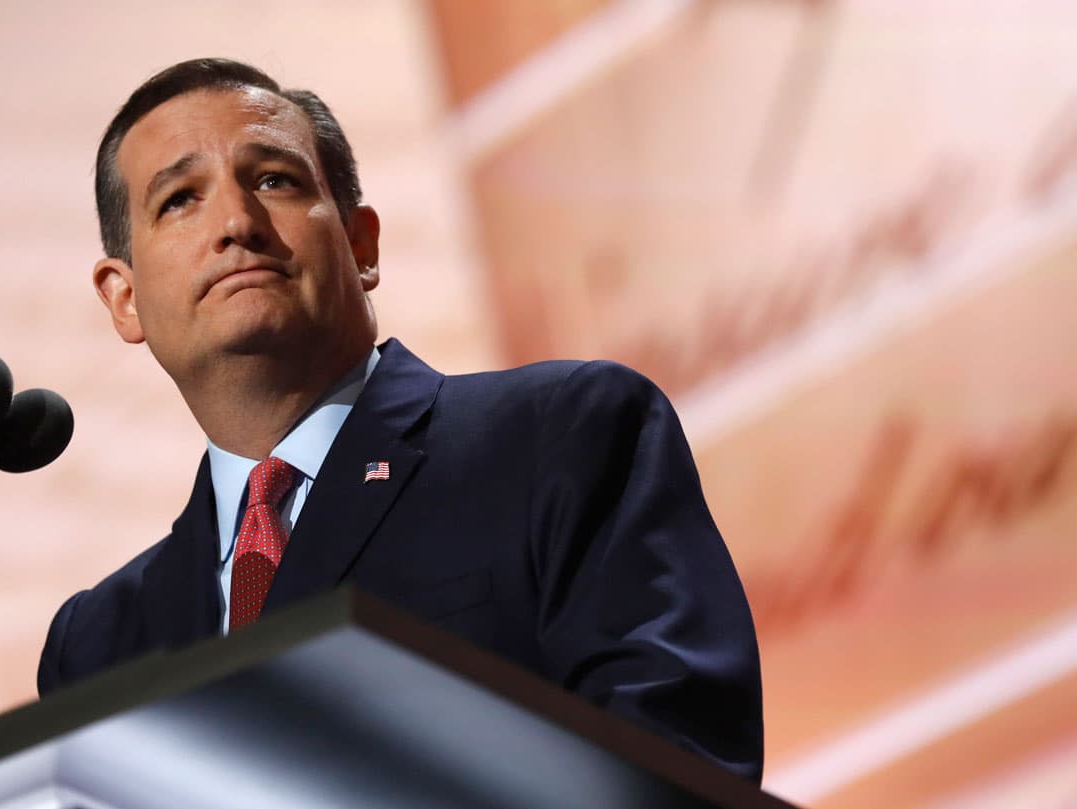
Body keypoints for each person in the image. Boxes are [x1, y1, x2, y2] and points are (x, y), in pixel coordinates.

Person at [37, 58, 764, 781]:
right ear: (123, 298)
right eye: (179, 200)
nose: (235, 222)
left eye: (275, 181)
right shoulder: (98, 645)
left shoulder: (559, 437)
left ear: (361, 245)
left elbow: (672, 768)